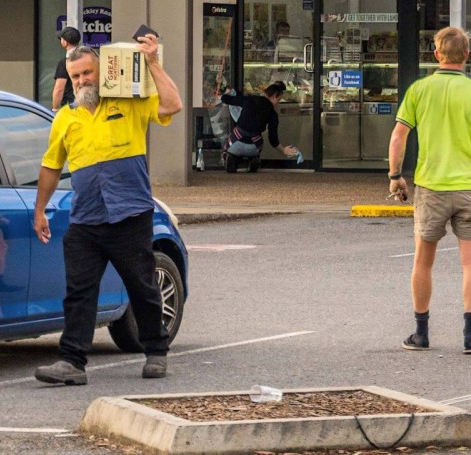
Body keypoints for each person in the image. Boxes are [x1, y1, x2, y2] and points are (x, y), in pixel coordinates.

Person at [31, 24, 183, 386]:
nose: (82, 80)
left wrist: (153, 63)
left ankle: (156, 352)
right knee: (79, 292)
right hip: (87, 219)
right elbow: (51, 166)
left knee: (142, 286)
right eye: (75, 76)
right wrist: (40, 210)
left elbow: (173, 104)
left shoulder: (129, 102)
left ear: (101, 72)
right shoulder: (65, 118)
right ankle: (72, 362)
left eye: (87, 73)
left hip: (130, 214)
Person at [387, 25, 471, 354]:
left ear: (436, 54)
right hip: (470, 187)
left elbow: (399, 136)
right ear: (467, 55)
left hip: (431, 187)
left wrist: (396, 175)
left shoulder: (419, 90)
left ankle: (421, 333)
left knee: (423, 261)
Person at [218, 81, 300, 172]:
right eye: (279, 100)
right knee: (258, 138)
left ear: (265, 93)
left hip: (235, 143)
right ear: (274, 96)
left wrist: (228, 93)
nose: (278, 103)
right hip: (254, 147)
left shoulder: (249, 99)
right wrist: (283, 150)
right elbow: (273, 139)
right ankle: (253, 159)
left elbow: (225, 99)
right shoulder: (273, 114)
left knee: (232, 135)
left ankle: (231, 158)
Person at [50, 25, 82, 109]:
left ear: (65, 42)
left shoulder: (64, 62)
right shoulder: (86, 59)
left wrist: (55, 110)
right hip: (86, 105)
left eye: (61, 39)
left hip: (70, 107)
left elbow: (59, 89)